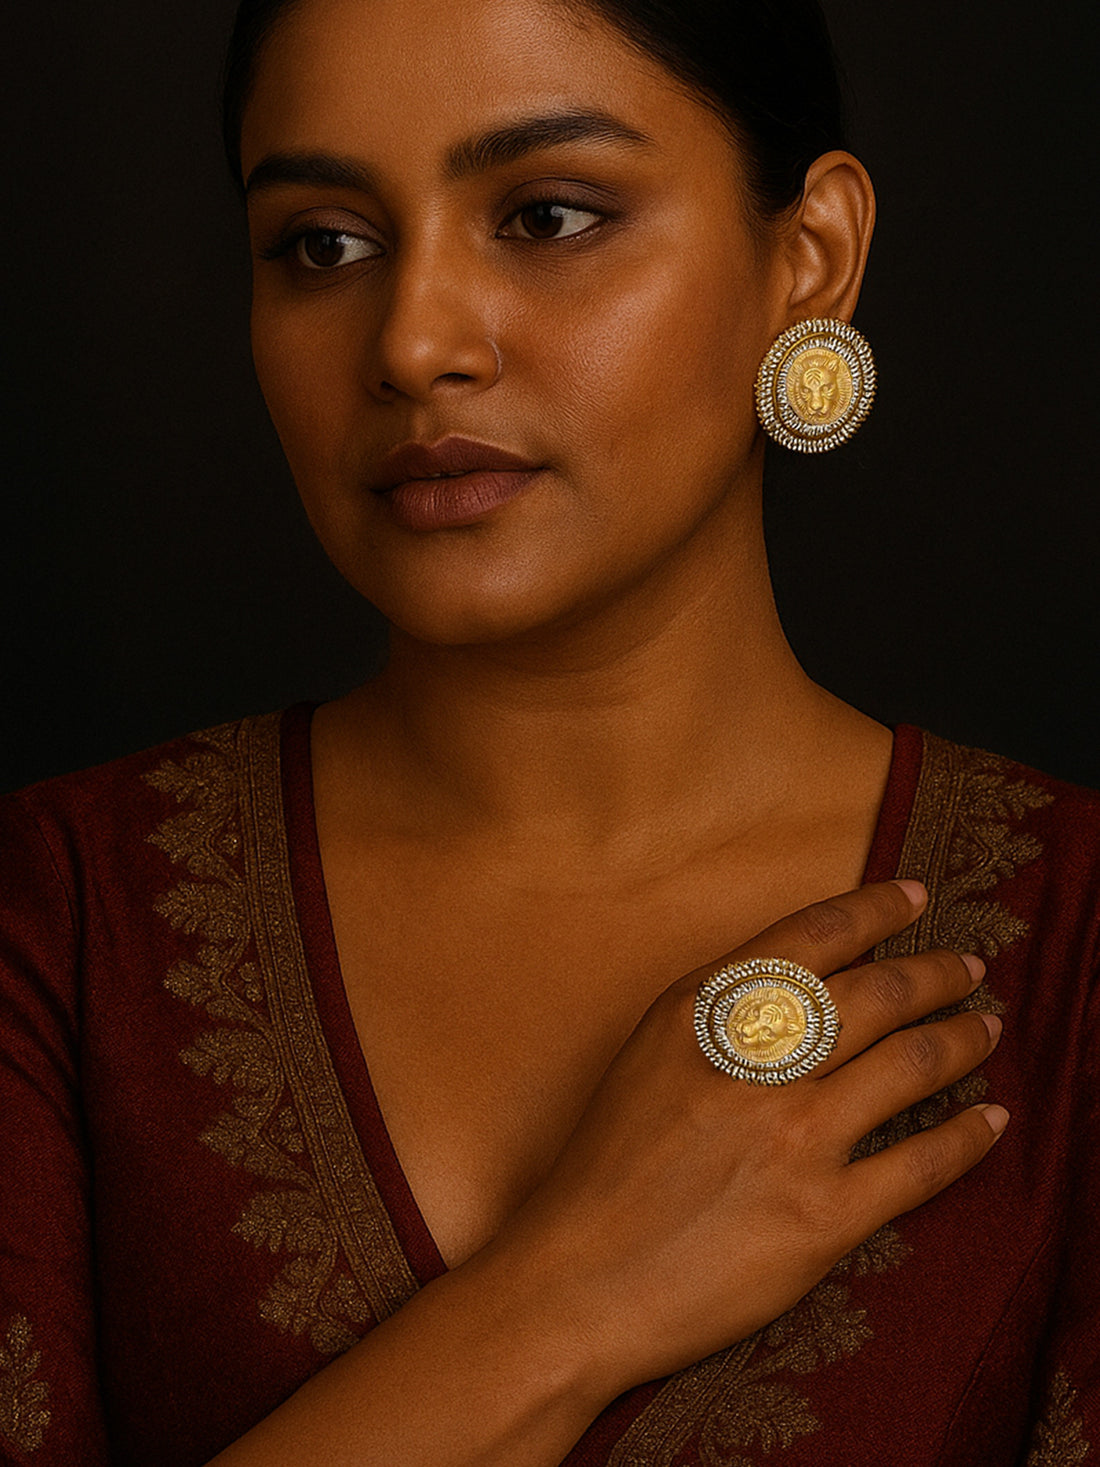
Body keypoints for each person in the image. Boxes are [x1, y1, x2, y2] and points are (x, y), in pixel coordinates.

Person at [0, 1, 1096, 1463]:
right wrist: (569, 1302)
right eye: (323, 243)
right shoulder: (61, 915)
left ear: (808, 258)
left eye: (549, 214)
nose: (413, 342)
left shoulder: (1080, 940)